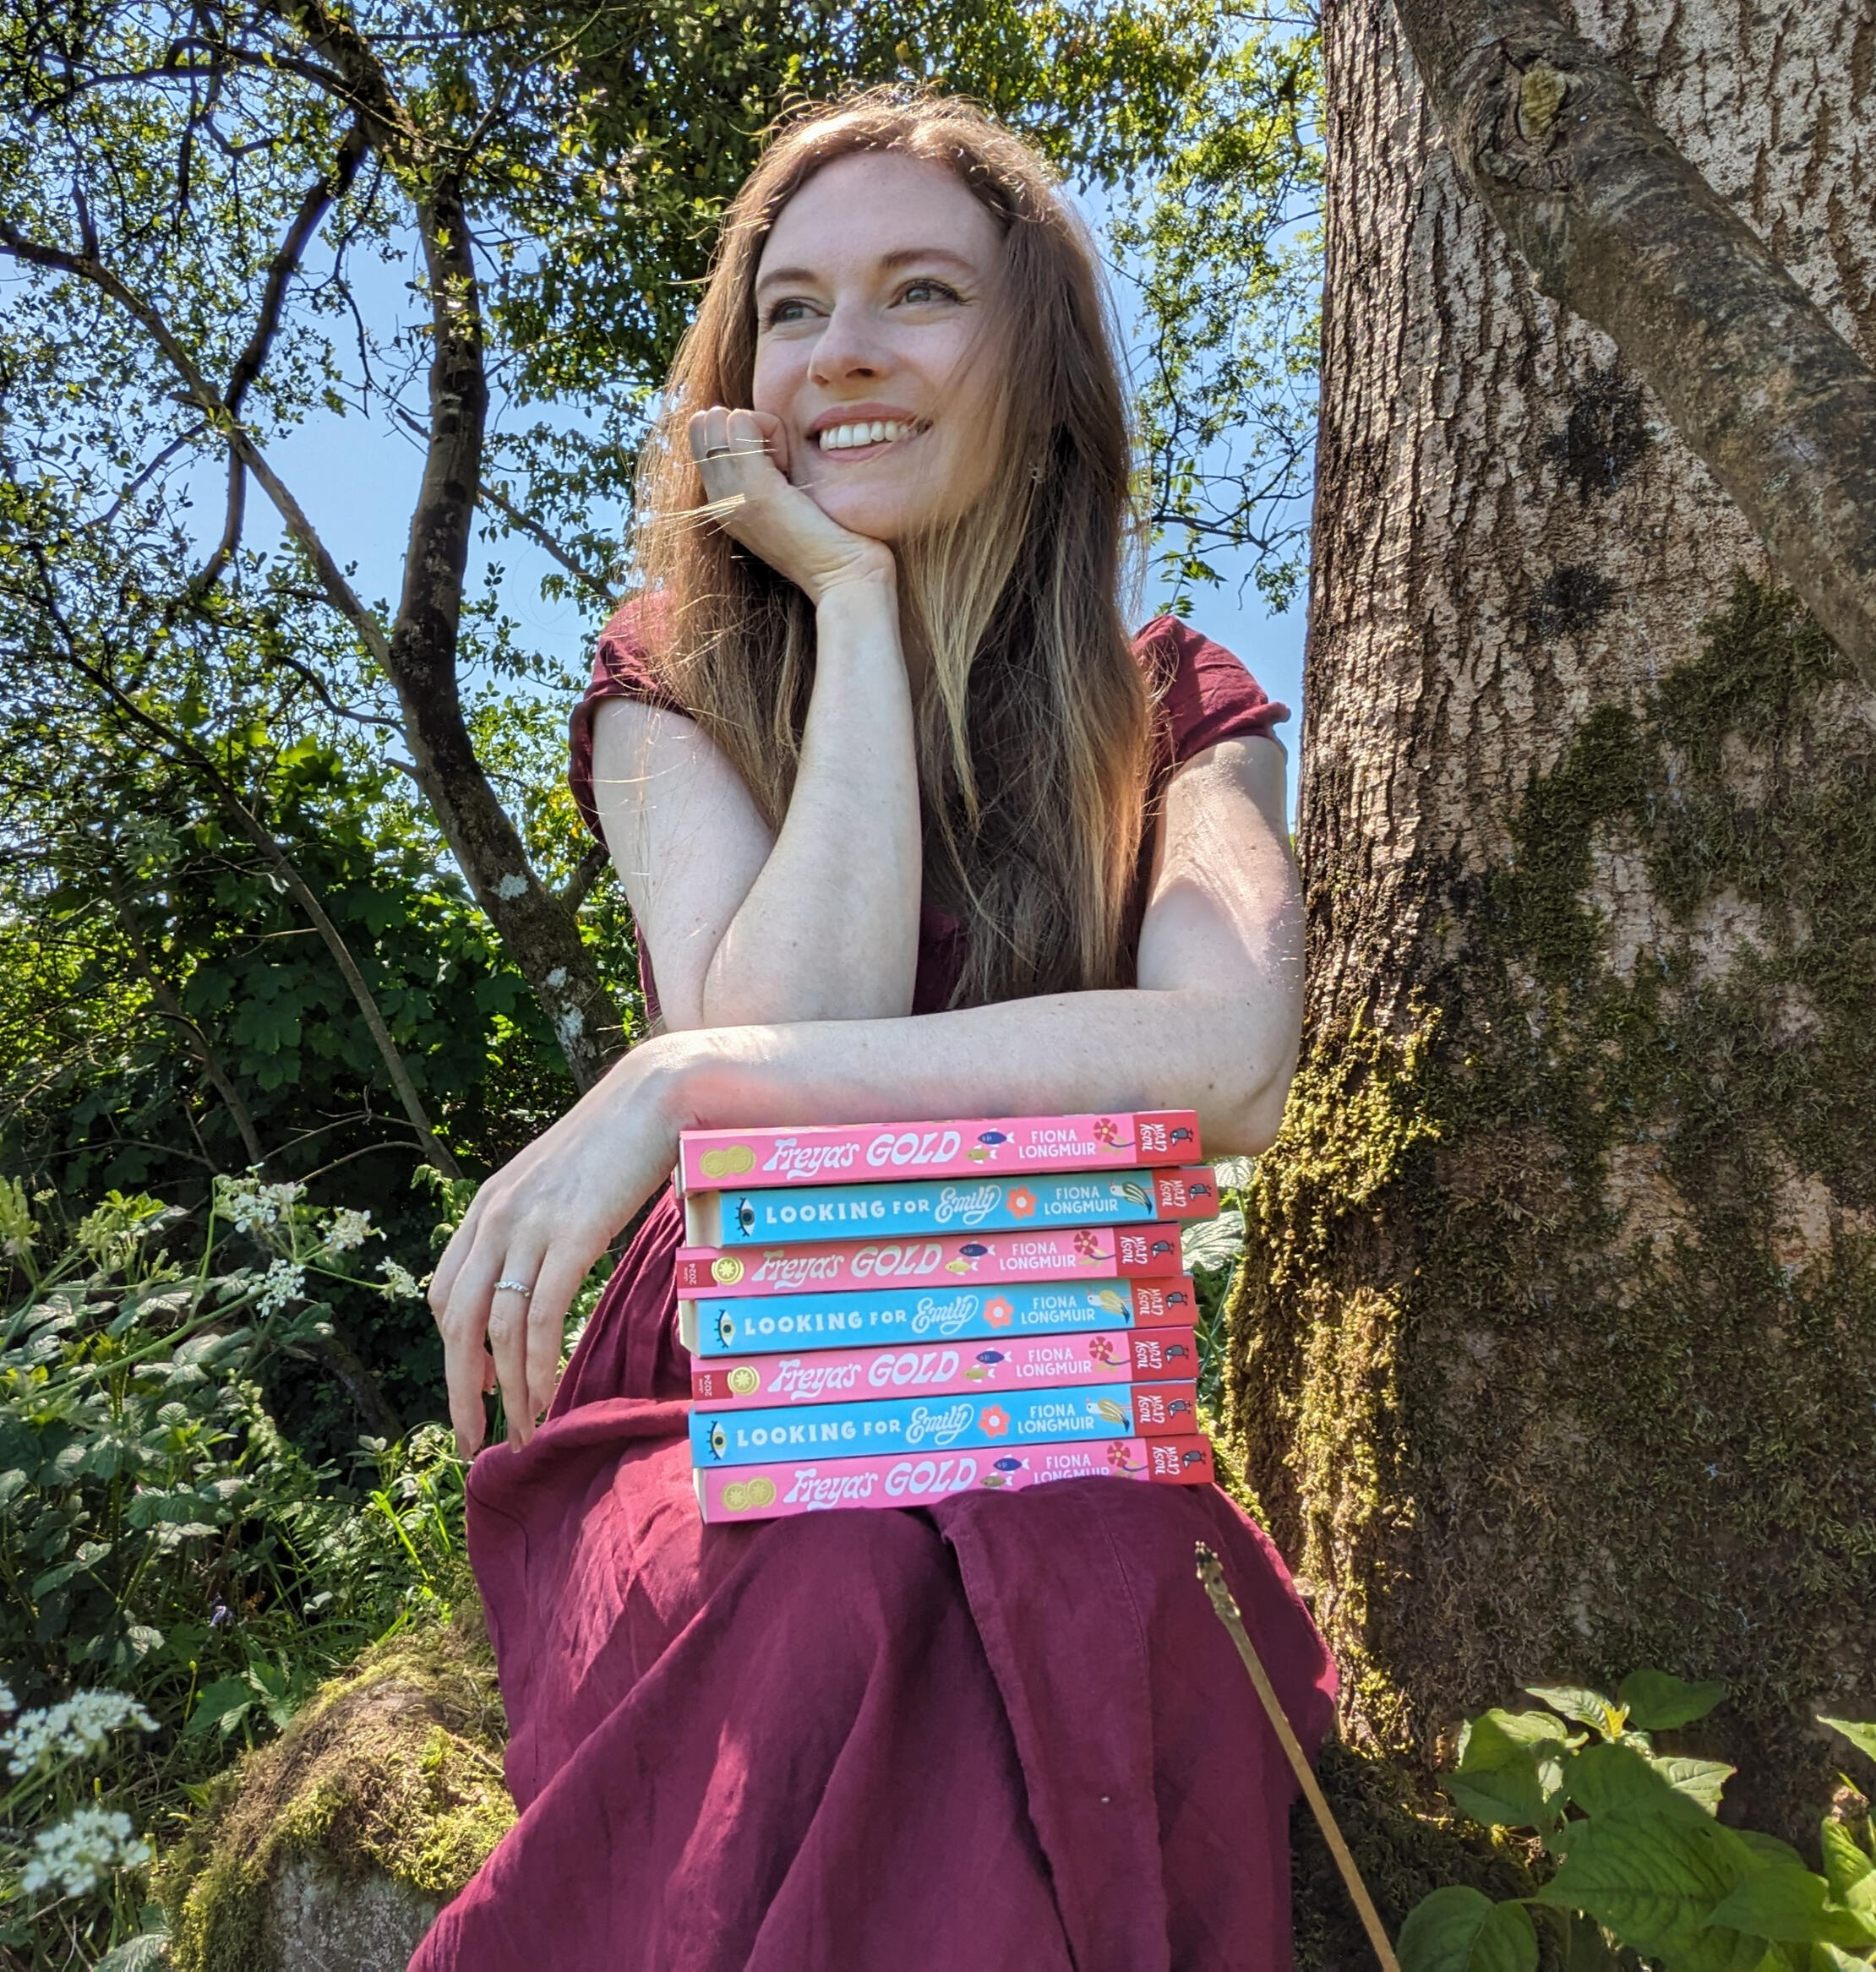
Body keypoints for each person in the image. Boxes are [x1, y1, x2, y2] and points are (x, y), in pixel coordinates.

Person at [412, 90, 1334, 1972]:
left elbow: (1231, 1054)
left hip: (1055, 1389)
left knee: (1081, 1582)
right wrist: (847, 604)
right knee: (831, 1580)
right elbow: (792, 1021)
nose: (842, 352)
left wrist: (683, 1078)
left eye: (921, 293)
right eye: (793, 308)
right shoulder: (670, 677)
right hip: (725, 1387)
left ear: (1040, 373)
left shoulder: (1174, 707)